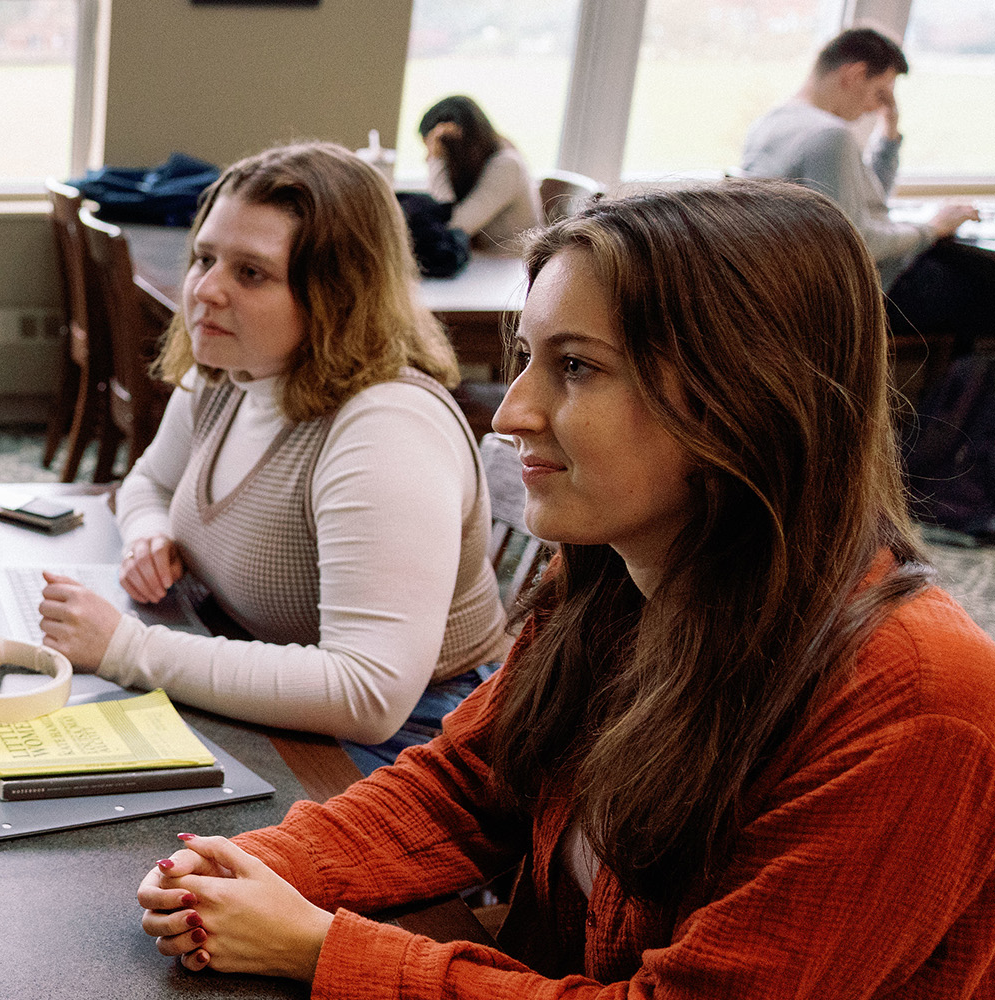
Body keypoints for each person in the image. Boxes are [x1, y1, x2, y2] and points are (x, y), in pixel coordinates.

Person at [134, 181, 995, 996]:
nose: (510, 412)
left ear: (744, 396)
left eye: (575, 366)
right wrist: (255, 864)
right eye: (526, 359)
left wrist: (322, 950)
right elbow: (469, 783)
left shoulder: (920, 702)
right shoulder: (620, 569)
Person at [35, 142, 510, 772]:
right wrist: (149, 534)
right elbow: (147, 480)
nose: (204, 290)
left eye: (250, 273)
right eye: (205, 258)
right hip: (258, 670)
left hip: (415, 743)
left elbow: (368, 693)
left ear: (336, 294)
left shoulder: (386, 430)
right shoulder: (232, 370)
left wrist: (125, 646)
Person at [742, 27, 990, 353]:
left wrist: (889, 131)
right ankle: (955, 402)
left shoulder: (770, 123)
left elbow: (865, 202)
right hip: (856, 297)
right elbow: (856, 243)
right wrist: (932, 228)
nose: (876, 107)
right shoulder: (830, 136)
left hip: (787, 290)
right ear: (856, 74)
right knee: (983, 291)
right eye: (881, 92)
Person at [417, 95, 542, 249]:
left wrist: (437, 161)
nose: (427, 157)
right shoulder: (484, 159)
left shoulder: (507, 166)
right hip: (485, 260)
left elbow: (452, 228)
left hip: (509, 265)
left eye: (433, 148)